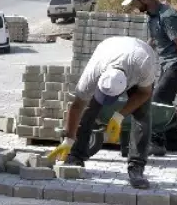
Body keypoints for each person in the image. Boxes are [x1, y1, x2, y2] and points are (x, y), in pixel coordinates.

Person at [48, 35, 159, 189]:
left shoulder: (144, 67)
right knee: (89, 108)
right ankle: (75, 155)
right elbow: (77, 106)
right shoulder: (93, 74)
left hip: (139, 53)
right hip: (108, 48)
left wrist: (119, 116)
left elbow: (144, 93)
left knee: (142, 115)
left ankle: (136, 168)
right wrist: (69, 139)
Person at [122, 0, 177, 155]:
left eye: (135, 2)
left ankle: (156, 142)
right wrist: (140, 53)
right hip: (168, 63)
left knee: (158, 99)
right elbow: (155, 40)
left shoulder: (168, 16)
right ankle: (174, 142)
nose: (134, 7)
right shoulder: (152, 16)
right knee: (163, 101)